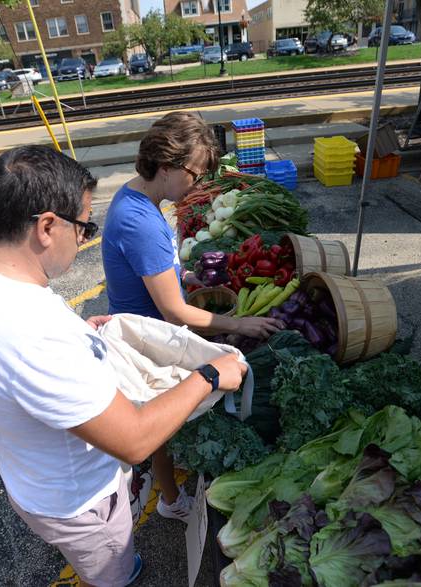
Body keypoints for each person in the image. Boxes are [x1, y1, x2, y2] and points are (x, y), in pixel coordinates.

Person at [0, 145, 246, 587]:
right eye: (84, 227)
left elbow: (25, 347)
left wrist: (81, 331)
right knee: (115, 573)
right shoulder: (32, 338)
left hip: (32, 478)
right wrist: (211, 374)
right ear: (47, 226)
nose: (85, 241)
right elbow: (136, 441)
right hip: (81, 504)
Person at [102, 111, 283, 522]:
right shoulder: (141, 221)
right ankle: (169, 500)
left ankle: (155, 477)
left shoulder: (137, 198)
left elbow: (149, 268)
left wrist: (182, 273)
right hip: (149, 341)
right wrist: (239, 325)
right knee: (158, 424)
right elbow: (173, 310)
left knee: (161, 420)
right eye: (196, 174)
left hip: (147, 327)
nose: (199, 184)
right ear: (166, 165)